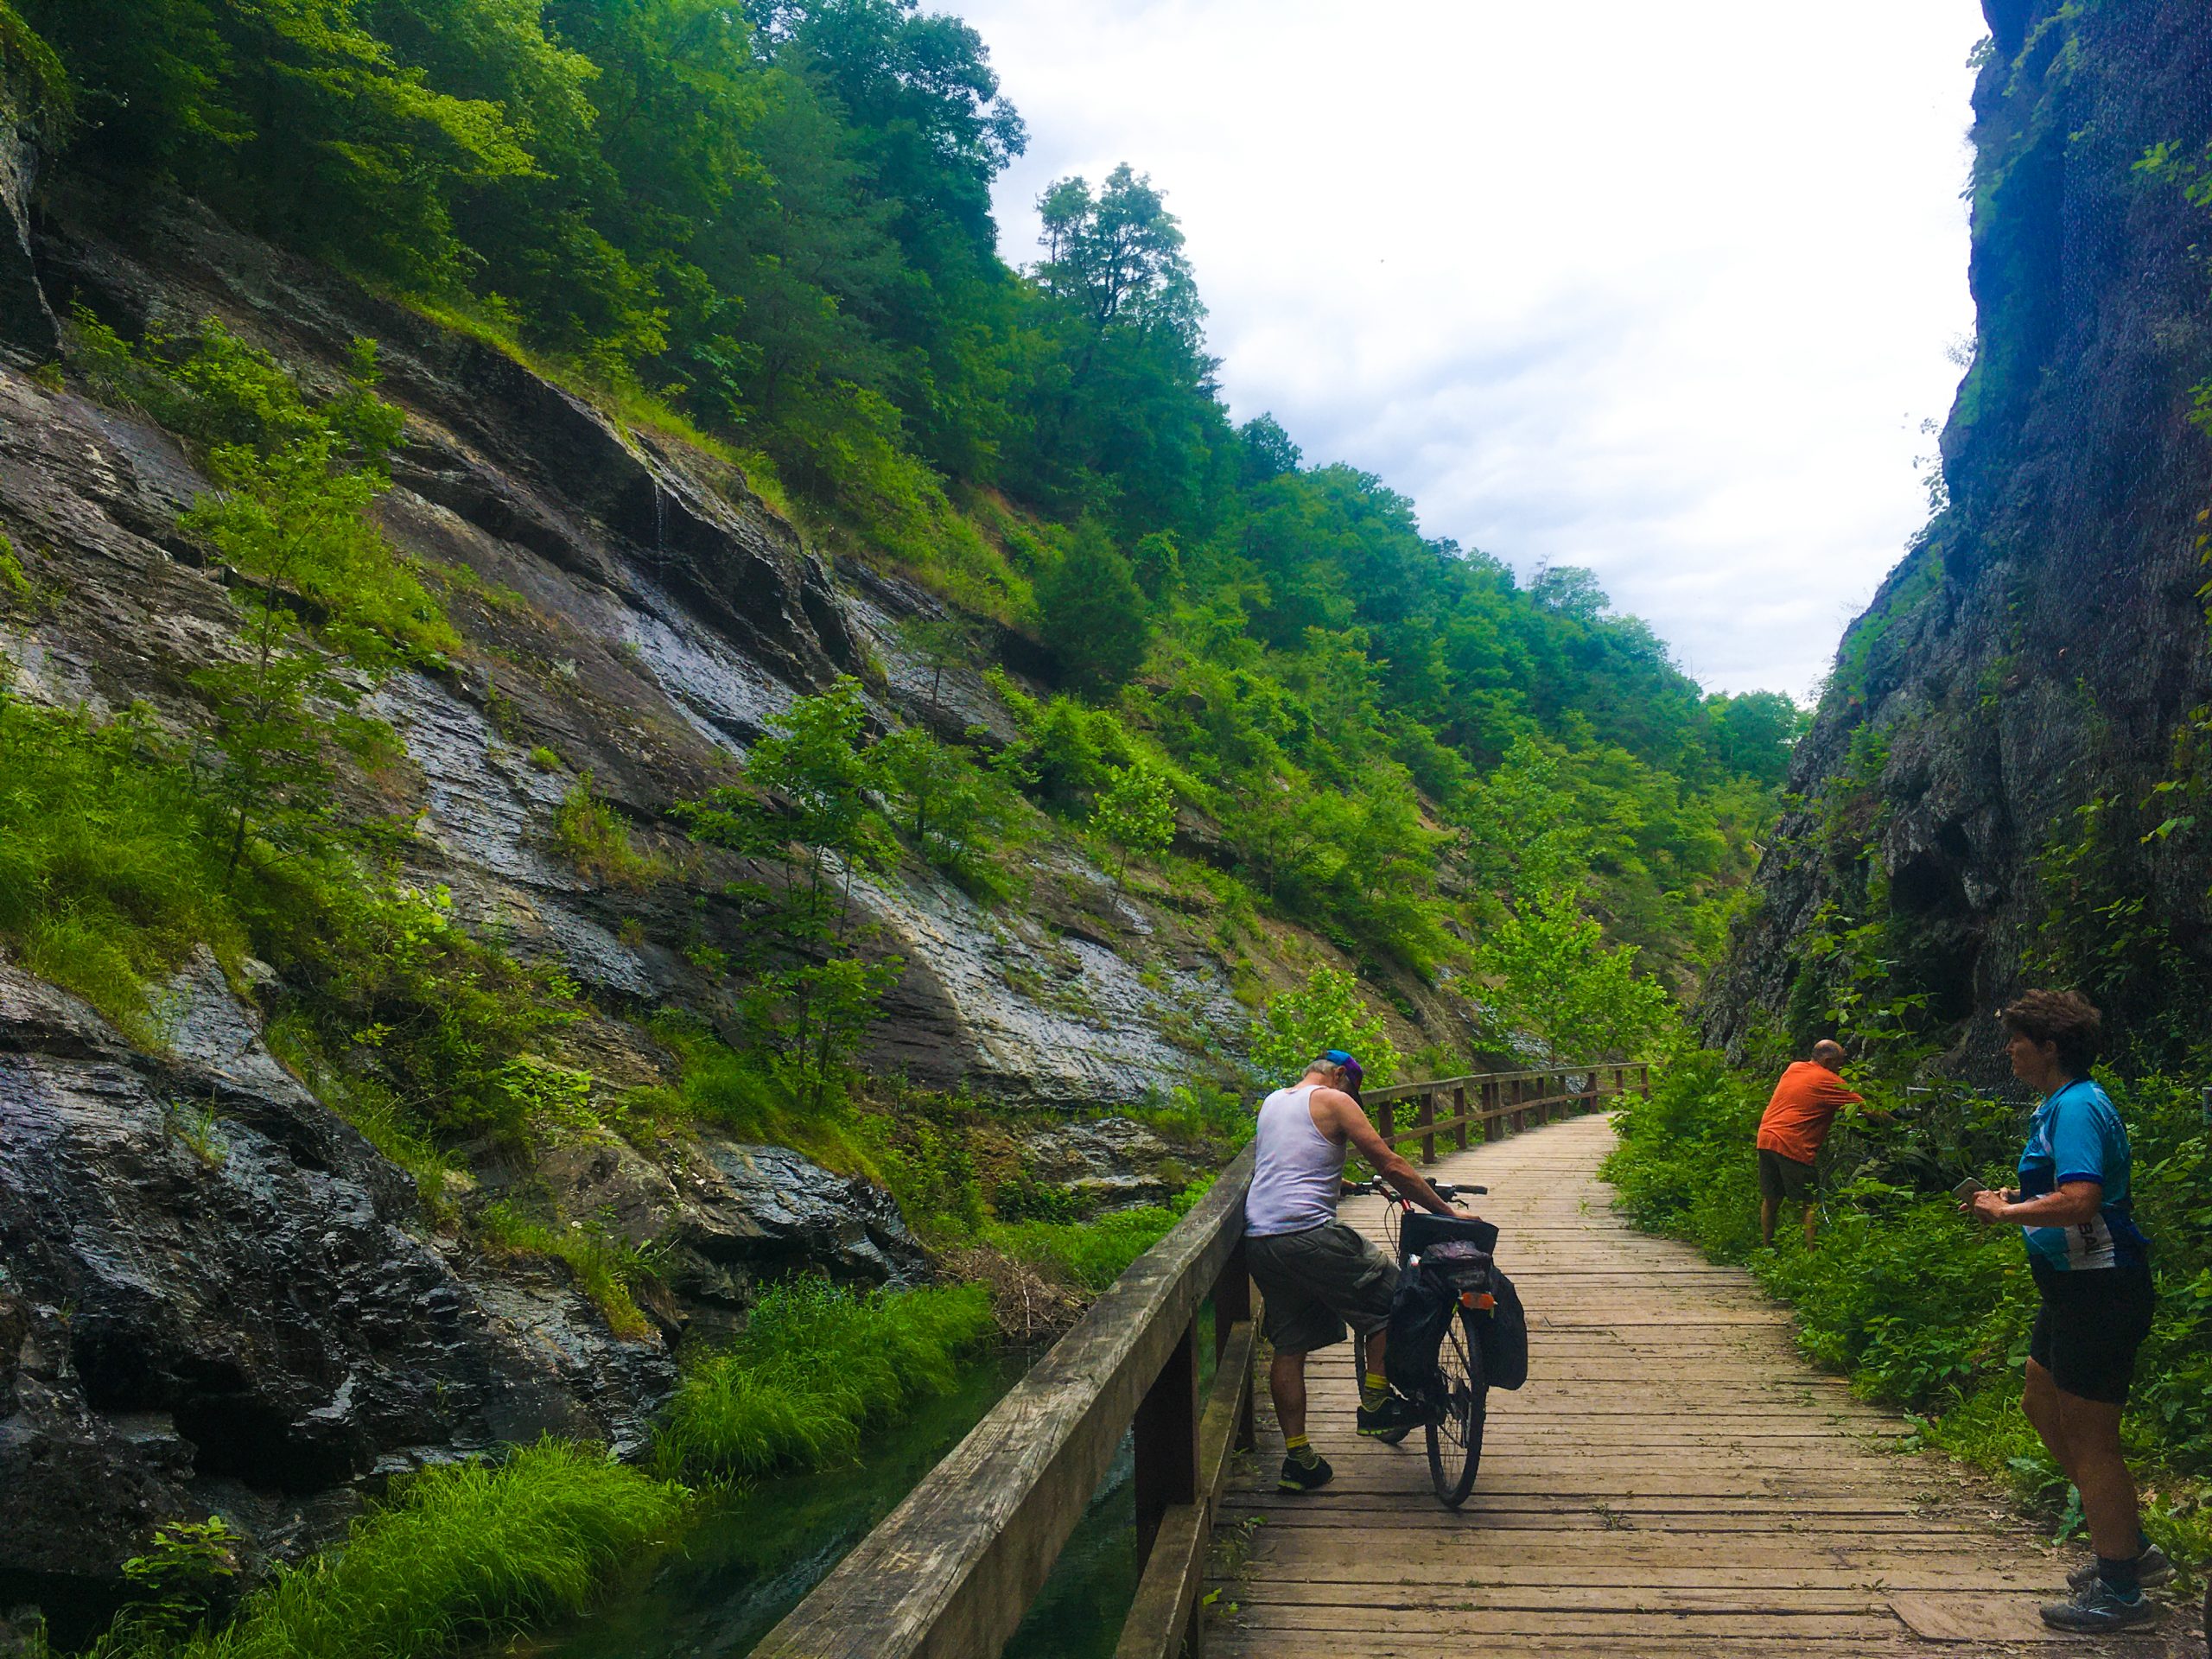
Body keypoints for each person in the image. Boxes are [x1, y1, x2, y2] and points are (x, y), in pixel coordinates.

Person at [1962, 990, 2161, 1633]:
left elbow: (2081, 1199)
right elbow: (2063, 1188)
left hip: (2100, 1289)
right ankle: (2129, 1546)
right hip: (2070, 1285)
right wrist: (2017, 1195)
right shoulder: (2060, 1104)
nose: (2008, 1049)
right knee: (2040, 1403)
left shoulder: (2075, 1107)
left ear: (2050, 1047)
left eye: (2018, 1039)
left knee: (2091, 1439)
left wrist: (2008, 1212)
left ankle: (2123, 1594)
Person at [1243, 1050, 1469, 1493]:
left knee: (1289, 1348)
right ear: (1340, 1075)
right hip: (1309, 1235)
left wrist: (1339, 1182)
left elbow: (1289, 1160)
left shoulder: (1273, 1101)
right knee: (1397, 1299)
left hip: (1262, 1241)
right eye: (1353, 1090)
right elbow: (1392, 1165)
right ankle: (1376, 1405)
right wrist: (1446, 1214)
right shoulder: (1334, 1100)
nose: (1353, 1099)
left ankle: (1300, 1460)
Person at [1755, 1039, 1864, 1247]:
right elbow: (1867, 1108)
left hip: (1766, 1137)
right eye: (1840, 1062)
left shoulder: (1795, 1068)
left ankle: (1767, 1249)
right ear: (1828, 1060)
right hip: (1793, 1143)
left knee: (1772, 1198)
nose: (1842, 1068)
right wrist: (1895, 1121)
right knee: (1810, 1203)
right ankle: (1811, 1256)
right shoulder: (1829, 1080)